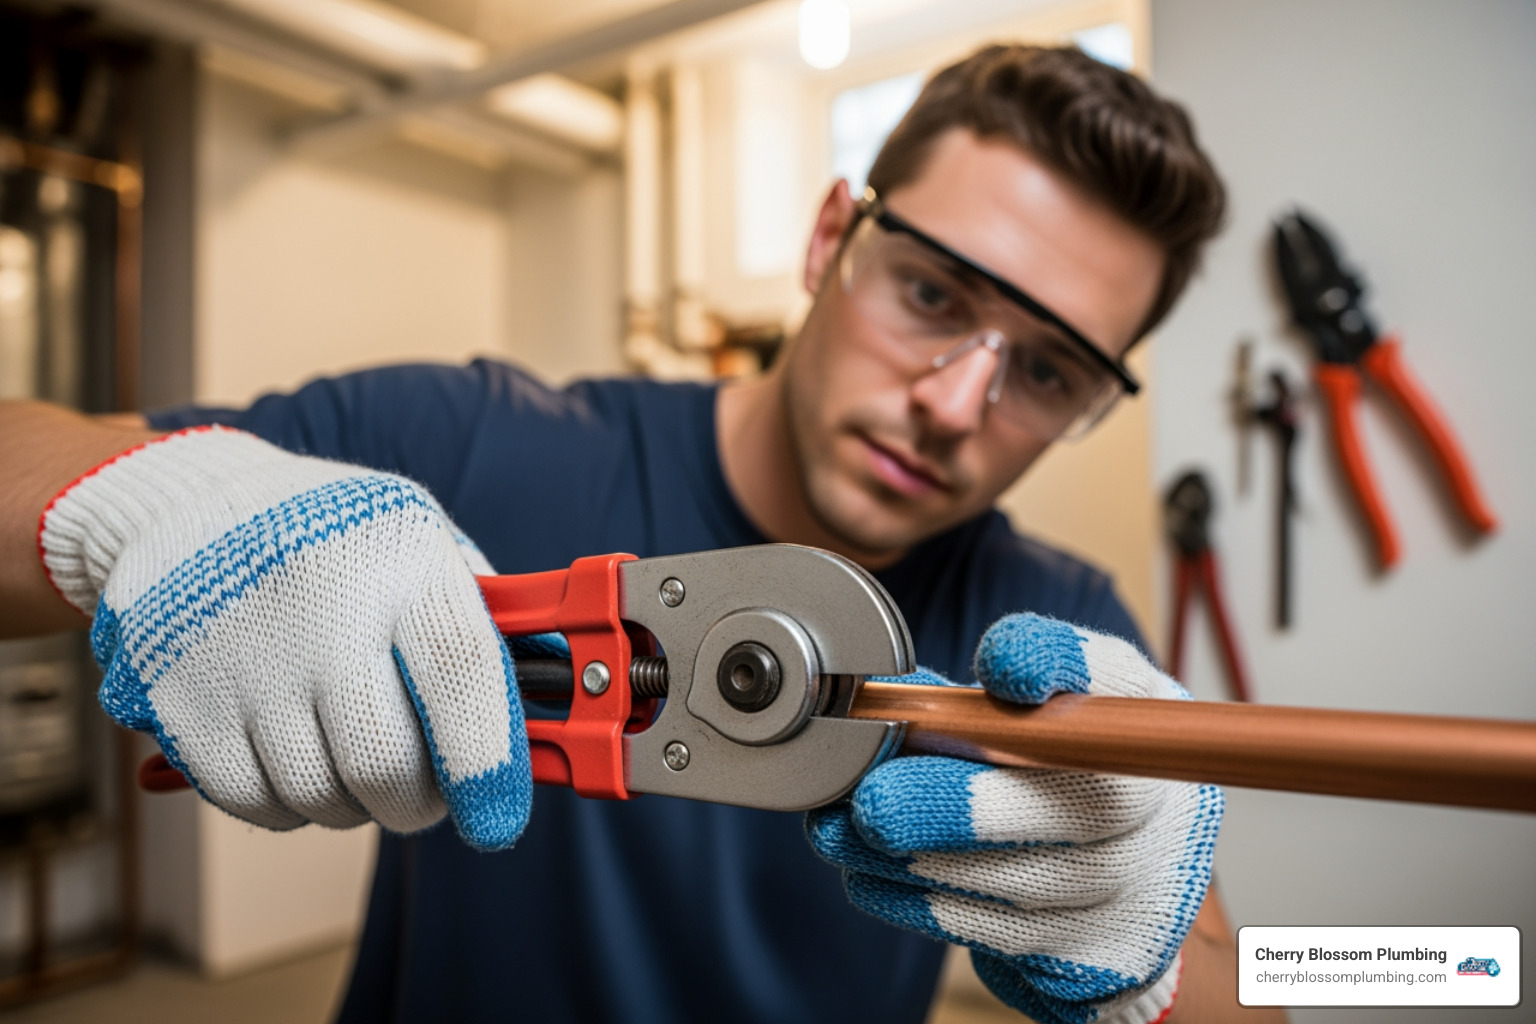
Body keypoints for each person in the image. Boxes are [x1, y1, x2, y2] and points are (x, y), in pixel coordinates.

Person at [0, 45, 1280, 1024]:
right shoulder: (474, 441)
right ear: (833, 239)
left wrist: (1158, 962)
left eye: (1048, 371)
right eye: (932, 292)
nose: (954, 402)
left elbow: (1330, 978)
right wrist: (148, 508)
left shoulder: (1056, 632)